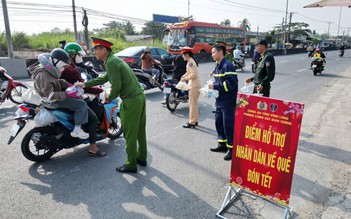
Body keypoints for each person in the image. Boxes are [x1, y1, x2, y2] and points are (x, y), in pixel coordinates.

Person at [75, 37, 147, 174]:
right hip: (139, 97)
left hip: (131, 100)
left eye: (96, 49)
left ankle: (131, 164)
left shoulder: (111, 62)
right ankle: (141, 158)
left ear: (104, 49)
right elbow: (104, 78)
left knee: (130, 133)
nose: (94, 51)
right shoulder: (113, 60)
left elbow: (117, 86)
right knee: (139, 132)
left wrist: (109, 97)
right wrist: (84, 84)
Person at [28, 48, 105, 157]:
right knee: (89, 114)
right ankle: (90, 144)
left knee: (82, 105)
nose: (64, 68)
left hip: (50, 101)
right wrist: (68, 94)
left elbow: (58, 81)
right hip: (53, 102)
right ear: (57, 61)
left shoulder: (48, 70)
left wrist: (70, 86)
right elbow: (50, 95)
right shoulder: (44, 74)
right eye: (63, 65)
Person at [208, 43, 238, 161]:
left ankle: (231, 148)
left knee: (228, 125)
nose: (212, 55)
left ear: (221, 52)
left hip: (228, 102)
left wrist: (215, 86)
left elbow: (231, 84)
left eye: (213, 52)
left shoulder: (228, 66)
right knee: (218, 122)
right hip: (219, 100)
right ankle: (222, 144)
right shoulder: (218, 66)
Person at [61, 42, 104, 121]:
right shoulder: (71, 69)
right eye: (79, 55)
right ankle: (95, 124)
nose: (81, 57)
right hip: (71, 96)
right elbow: (83, 88)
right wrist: (99, 89)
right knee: (94, 101)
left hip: (67, 93)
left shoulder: (67, 66)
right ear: (72, 55)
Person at [179, 47, 201, 128]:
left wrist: (185, 78)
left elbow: (193, 75)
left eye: (183, 55)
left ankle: (192, 122)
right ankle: (195, 120)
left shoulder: (190, 62)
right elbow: (189, 73)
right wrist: (184, 76)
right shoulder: (190, 61)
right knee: (194, 104)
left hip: (194, 85)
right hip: (195, 85)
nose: (182, 56)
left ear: (187, 54)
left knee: (192, 104)